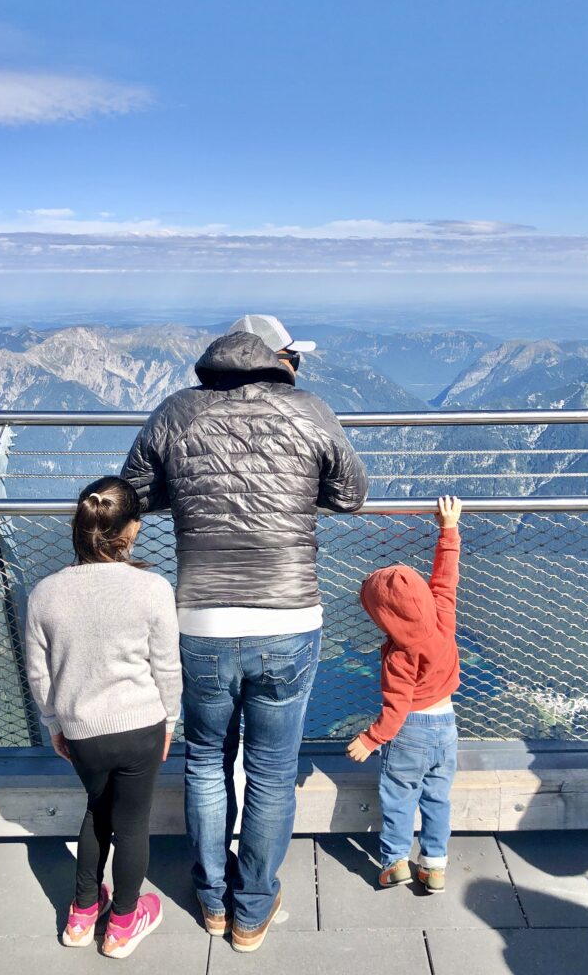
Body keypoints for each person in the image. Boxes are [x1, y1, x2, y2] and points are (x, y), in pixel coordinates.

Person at [122, 314, 368, 952]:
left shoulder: (176, 411)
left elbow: (135, 494)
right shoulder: (309, 410)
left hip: (201, 616)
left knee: (205, 761)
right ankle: (251, 911)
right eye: (296, 356)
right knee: (271, 768)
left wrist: (193, 492)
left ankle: (210, 902)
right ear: (277, 357)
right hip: (288, 615)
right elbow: (351, 496)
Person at [25, 476, 182, 959]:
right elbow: (167, 667)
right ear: (131, 530)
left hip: (82, 732)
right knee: (132, 825)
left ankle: (81, 915)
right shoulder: (152, 588)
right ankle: (122, 925)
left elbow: (39, 674)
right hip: (140, 726)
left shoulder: (45, 594)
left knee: (97, 811)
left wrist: (55, 724)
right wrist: (169, 723)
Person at [347, 495, 462, 895]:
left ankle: (395, 861)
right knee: (437, 798)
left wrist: (370, 738)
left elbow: (396, 708)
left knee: (398, 796)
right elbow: (445, 578)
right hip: (446, 727)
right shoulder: (442, 615)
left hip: (410, 730)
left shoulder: (400, 655)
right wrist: (449, 529)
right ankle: (434, 866)